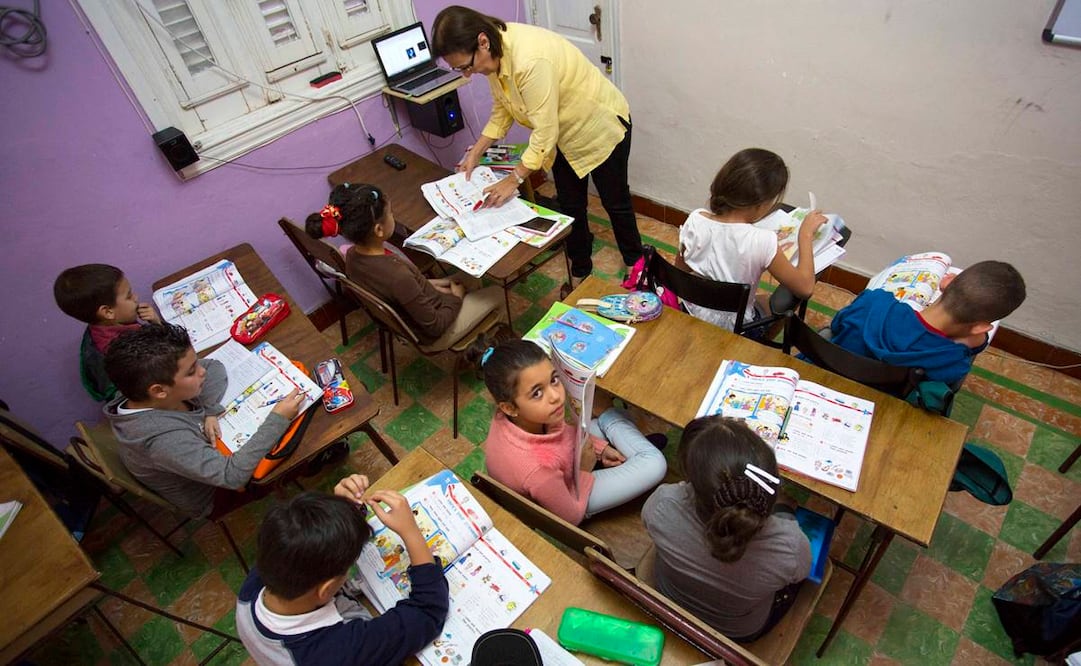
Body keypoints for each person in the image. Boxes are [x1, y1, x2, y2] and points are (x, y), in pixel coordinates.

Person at [431, 6, 643, 283]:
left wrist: (514, 179)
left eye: (466, 66)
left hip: (598, 126)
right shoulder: (495, 55)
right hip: (562, 138)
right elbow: (502, 108)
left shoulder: (529, 60)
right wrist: (478, 150)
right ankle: (580, 269)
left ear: (482, 42)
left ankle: (636, 263)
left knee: (615, 203)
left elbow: (544, 133)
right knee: (571, 205)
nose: (467, 75)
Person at [237, 475, 449, 665]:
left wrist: (342, 512)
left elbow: (300, 541)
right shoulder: (344, 651)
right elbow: (427, 611)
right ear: (326, 588)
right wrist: (410, 532)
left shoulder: (257, 582)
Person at [103, 323, 303, 517]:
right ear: (159, 390)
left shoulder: (143, 391)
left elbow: (214, 367)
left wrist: (209, 411)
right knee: (300, 440)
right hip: (215, 494)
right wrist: (278, 419)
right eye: (191, 371)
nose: (202, 371)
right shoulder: (161, 441)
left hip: (211, 454)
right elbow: (231, 477)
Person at [642, 416, 810, 641]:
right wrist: (786, 513)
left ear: (692, 479)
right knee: (800, 585)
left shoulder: (662, 503)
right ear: (771, 491)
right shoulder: (790, 546)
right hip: (736, 632)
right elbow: (801, 573)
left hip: (670, 598)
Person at [477, 339, 667, 525]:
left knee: (608, 421)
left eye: (553, 380)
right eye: (537, 393)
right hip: (569, 496)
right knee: (655, 463)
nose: (556, 396)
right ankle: (615, 422)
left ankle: (617, 427)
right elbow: (571, 517)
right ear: (509, 408)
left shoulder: (519, 416)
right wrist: (583, 468)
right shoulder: (537, 472)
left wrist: (600, 449)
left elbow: (560, 436)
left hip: (560, 469)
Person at [305, 183, 504, 345]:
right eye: (390, 214)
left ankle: (469, 312)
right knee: (496, 291)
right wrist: (456, 298)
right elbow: (435, 325)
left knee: (472, 278)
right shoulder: (397, 275)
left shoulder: (352, 257)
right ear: (379, 230)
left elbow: (407, 290)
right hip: (433, 332)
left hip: (419, 307)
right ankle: (480, 350)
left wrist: (432, 285)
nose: (393, 216)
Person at [678, 148, 827, 331]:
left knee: (758, 299)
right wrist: (805, 235)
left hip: (691, 313)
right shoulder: (763, 241)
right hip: (733, 329)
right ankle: (757, 346)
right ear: (761, 204)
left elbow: (680, 270)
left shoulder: (696, 219)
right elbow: (805, 288)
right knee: (770, 302)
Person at [830, 260, 1026, 384]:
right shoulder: (952, 362)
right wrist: (975, 339)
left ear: (945, 282)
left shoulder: (873, 302)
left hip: (825, 376)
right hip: (878, 408)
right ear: (980, 327)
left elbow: (836, 326)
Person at [53, 263, 161, 401]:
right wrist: (158, 325)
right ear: (108, 312)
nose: (135, 297)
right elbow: (168, 362)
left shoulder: (101, 328)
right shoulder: (124, 350)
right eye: (128, 296)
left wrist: (156, 324)